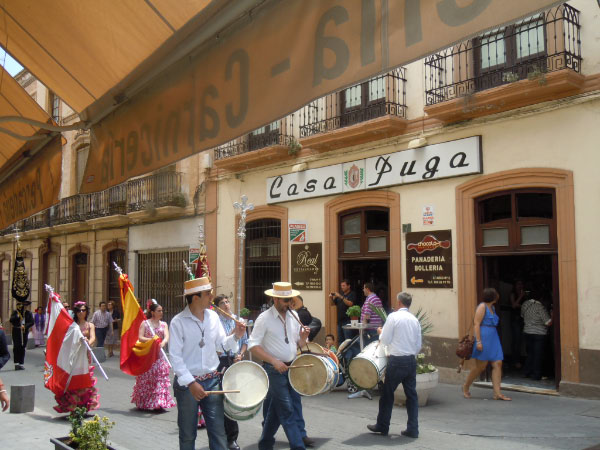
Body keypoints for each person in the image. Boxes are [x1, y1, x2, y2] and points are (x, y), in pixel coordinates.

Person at [169, 276, 246, 450]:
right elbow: (175, 357)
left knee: (218, 432)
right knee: (188, 434)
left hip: (212, 380)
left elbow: (222, 345)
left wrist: (236, 336)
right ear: (195, 297)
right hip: (188, 385)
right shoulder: (178, 322)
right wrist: (191, 383)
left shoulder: (212, 316)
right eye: (208, 294)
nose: (212, 297)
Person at [249, 281, 311, 450]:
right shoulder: (264, 318)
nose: (289, 303)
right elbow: (253, 346)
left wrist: (304, 337)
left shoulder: (294, 316)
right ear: (275, 300)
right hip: (274, 370)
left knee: (276, 412)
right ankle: (298, 446)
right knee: (287, 409)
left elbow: (298, 344)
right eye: (285, 301)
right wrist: (274, 361)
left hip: (291, 368)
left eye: (290, 300)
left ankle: (265, 444)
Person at [367, 292, 421, 438]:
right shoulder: (414, 320)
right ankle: (413, 428)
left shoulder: (393, 317)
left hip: (397, 360)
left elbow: (384, 339)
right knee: (412, 396)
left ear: (399, 303)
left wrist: (380, 332)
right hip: (410, 360)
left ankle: (383, 425)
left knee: (387, 394)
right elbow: (418, 345)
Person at [462, 288, 511, 401]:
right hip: (484, 338)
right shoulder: (482, 307)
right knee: (481, 367)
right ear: (493, 296)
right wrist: (479, 341)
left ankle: (497, 393)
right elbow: (476, 324)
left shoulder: (492, 307)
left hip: (493, 338)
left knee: (498, 363)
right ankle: (466, 386)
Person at [214, 295, 249, 450]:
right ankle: (220, 436)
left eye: (228, 302)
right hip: (220, 361)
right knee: (219, 399)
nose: (227, 305)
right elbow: (220, 345)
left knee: (231, 399)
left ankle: (232, 438)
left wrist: (241, 354)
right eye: (222, 303)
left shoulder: (237, 319)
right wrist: (234, 334)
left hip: (234, 361)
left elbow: (245, 341)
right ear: (217, 307)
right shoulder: (215, 322)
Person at [53, 301, 100, 412]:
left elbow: (93, 338)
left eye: (83, 310)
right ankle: (72, 404)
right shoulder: (72, 325)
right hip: (74, 355)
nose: (81, 312)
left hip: (85, 355)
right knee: (73, 378)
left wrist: (88, 342)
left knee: (85, 377)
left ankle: (83, 405)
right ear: (75, 312)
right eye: (78, 310)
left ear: (86, 311)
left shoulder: (90, 325)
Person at [131, 300, 176, 410]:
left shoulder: (164, 324)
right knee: (146, 377)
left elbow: (166, 336)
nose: (161, 312)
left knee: (159, 377)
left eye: (162, 311)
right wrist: (152, 340)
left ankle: (159, 403)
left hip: (159, 354)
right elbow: (140, 337)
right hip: (147, 354)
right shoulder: (145, 324)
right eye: (159, 311)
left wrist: (163, 342)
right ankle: (143, 402)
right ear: (153, 312)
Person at [521, 288, 553, 380]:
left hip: (527, 332)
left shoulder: (525, 304)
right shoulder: (540, 307)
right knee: (538, 355)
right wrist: (553, 315)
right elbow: (548, 322)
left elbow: (522, 315)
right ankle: (536, 375)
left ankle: (526, 372)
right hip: (539, 334)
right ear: (541, 297)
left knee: (530, 353)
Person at [330, 279, 356, 346]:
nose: (342, 287)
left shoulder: (352, 294)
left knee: (348, 340)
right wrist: (331, 298)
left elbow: (350, 304)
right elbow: (332, 304)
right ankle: (341, 356)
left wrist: (340, 297)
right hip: (339, 322)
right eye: (341, 286)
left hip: (347, 321)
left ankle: (349, 356)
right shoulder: (340, 295)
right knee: (340, 340)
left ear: (348, 286)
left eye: (344, 285)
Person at [9, 302, 34, 370]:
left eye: (26, 306)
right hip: (16, 331)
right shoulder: (15, 312)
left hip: (24, 332)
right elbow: (11, 320)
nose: (25, 307)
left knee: (23, 347)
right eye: (24, 306)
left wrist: (25, 326)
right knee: (16, 346)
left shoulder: (28, 313)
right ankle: (16, 363)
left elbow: (32, 322)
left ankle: (21, 363)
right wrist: (17, 316)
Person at [509, 280, 526, 369]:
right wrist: (520, 296)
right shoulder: (513, 294)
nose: (520, 286)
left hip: (523, 319)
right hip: (515, 319)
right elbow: (514, 305)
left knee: (521, 341)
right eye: (518, 284)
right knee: (516, 340)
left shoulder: (525, 294)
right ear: (515, 285)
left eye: (521, 284)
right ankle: (515, 361)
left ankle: (518, 360)